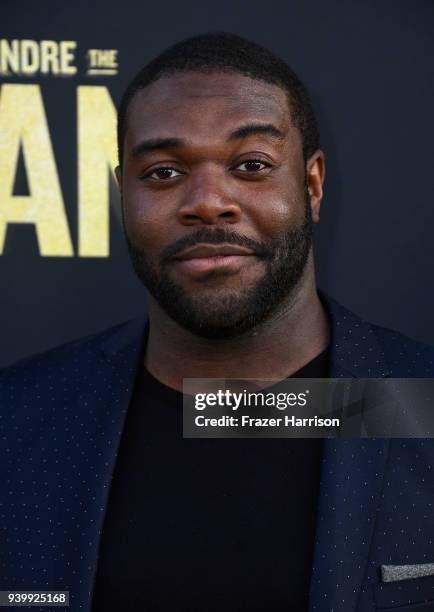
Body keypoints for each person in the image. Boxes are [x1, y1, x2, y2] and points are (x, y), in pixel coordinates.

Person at [1, 32, 434, 612]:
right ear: (121, 195)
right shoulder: (18, 416)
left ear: (311, 185)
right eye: (162, 173)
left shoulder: (415, 401)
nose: (207, 201)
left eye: (251, 165)